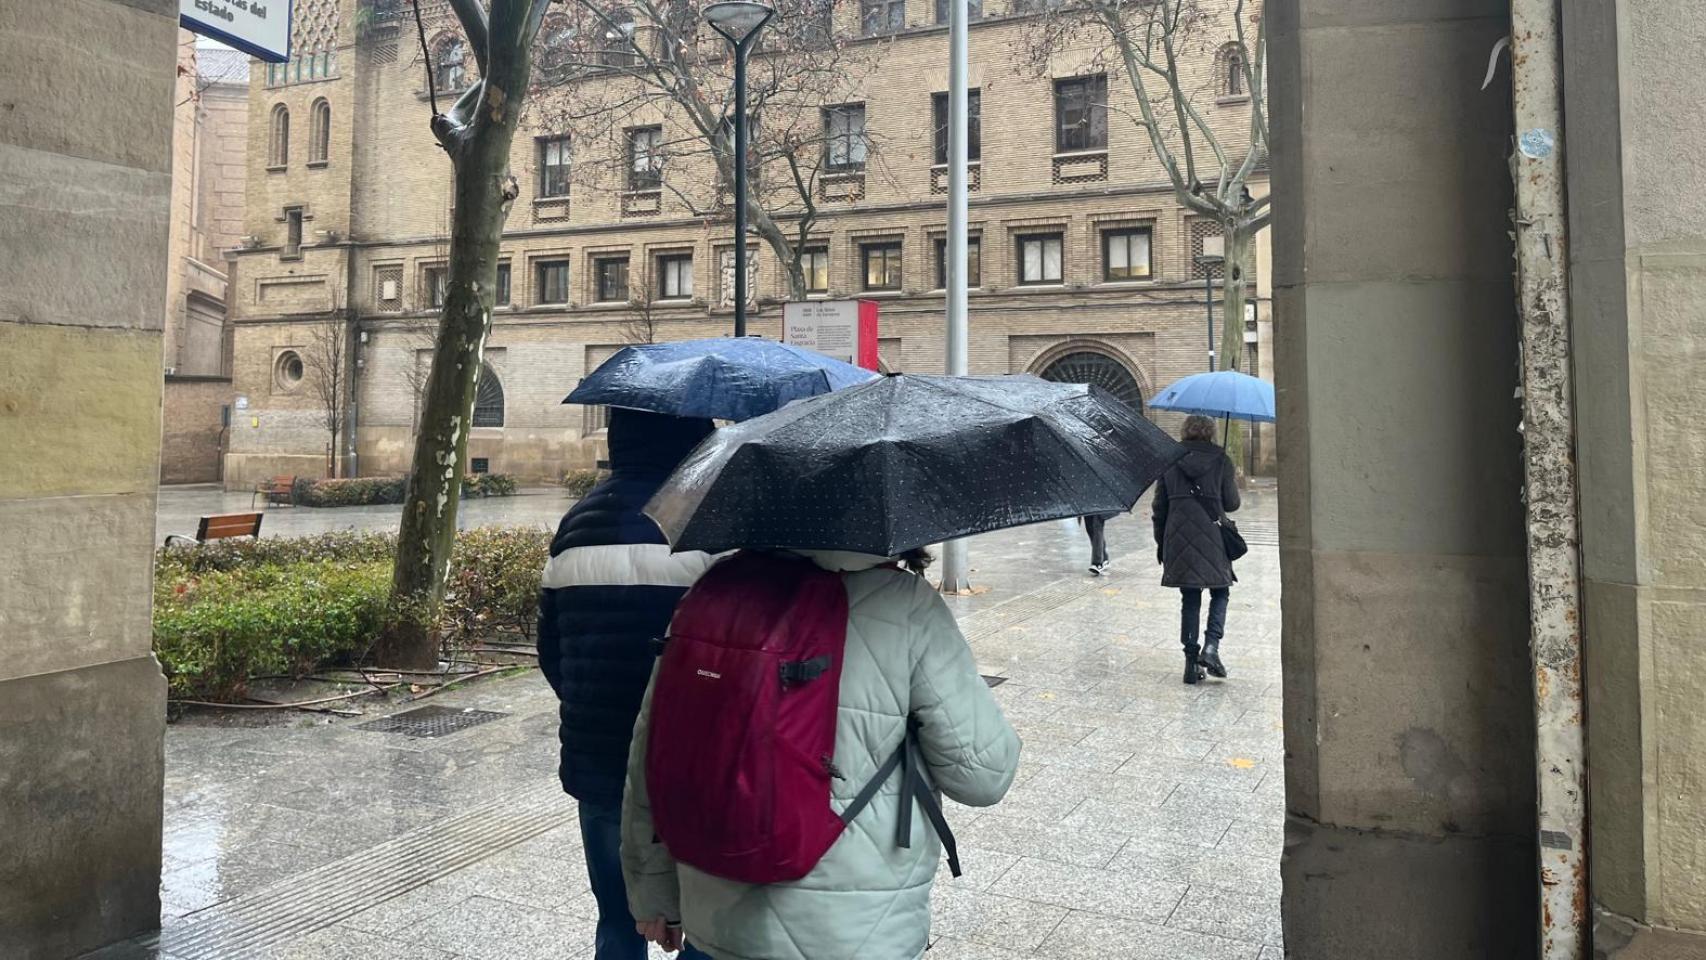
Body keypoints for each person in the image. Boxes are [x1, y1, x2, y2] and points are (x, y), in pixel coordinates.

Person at [620, 548, 1022, 960]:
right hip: (858, 932)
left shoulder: (714, 591)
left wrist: (653, 894)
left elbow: (653, 751)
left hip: (717, 919)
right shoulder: (906, 603)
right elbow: (983, 778)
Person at [537, 407, 717, 960]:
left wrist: (592, 702)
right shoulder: (710, 520)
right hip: (697, 761)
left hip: (601, 759)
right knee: (712, 924)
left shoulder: (578, 522)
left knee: (618, 919)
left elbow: (551, 651)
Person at [1152, 415, 1241, 684]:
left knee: (1190, 597)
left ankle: (1191, 664)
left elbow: (1159, 509)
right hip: (1213, 535)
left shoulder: (1170, 459)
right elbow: (1232, 503)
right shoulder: (1221, 460)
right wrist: (1226, 475)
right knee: (1220, 591)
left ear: (1185, 432)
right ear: (1211, 433)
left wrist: (1162, 544)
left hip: (1179, 538)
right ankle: (1211, 647)